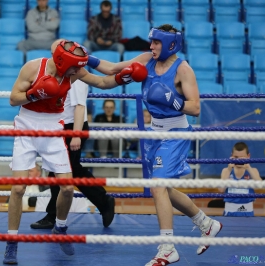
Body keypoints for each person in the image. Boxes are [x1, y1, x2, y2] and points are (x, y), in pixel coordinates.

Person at [85, 24, 223, 265]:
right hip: (155, 132)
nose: (151, 46)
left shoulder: (183, 70)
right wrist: (86, 59)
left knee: (158, 186)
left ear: (171, 44)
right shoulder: (147, 59)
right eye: (152, 42)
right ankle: (206, 223)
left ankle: (168, 247)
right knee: (164, 189)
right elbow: (112, 69)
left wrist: (173, 101)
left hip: (177, 131)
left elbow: (196, 107)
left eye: (156, 43)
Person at [3, 39, 147, 264]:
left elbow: (102, 82)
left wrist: (122, 78)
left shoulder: (73, 73)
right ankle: (12, 242)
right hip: (27, 126)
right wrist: (35, 93)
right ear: (62, 62)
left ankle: (60, 228)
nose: (78, 70)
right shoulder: (32, 67)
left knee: (68, 188)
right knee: (19, 188)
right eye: (74, 66)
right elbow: (13, 99)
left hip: (53, 127)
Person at [30, 76, 115, 230]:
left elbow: (80, 107)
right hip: (63, 127)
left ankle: (53, 216)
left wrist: (76, 134)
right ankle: (102, 201)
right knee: (66, 170)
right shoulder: (64, 76)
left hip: (73, 128)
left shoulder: (77, 78)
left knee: (64, 170)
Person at [219, 142, 262, 217]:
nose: (238, 160)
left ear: (248, 156)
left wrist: (249, 168)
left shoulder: (253, 171)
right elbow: (220, 189)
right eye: (236, 157)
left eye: (242, 158)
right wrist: (229, 169)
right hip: (229, 212)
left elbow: (260, 188)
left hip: (247, 212)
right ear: (231, 156)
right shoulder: (226, 171)